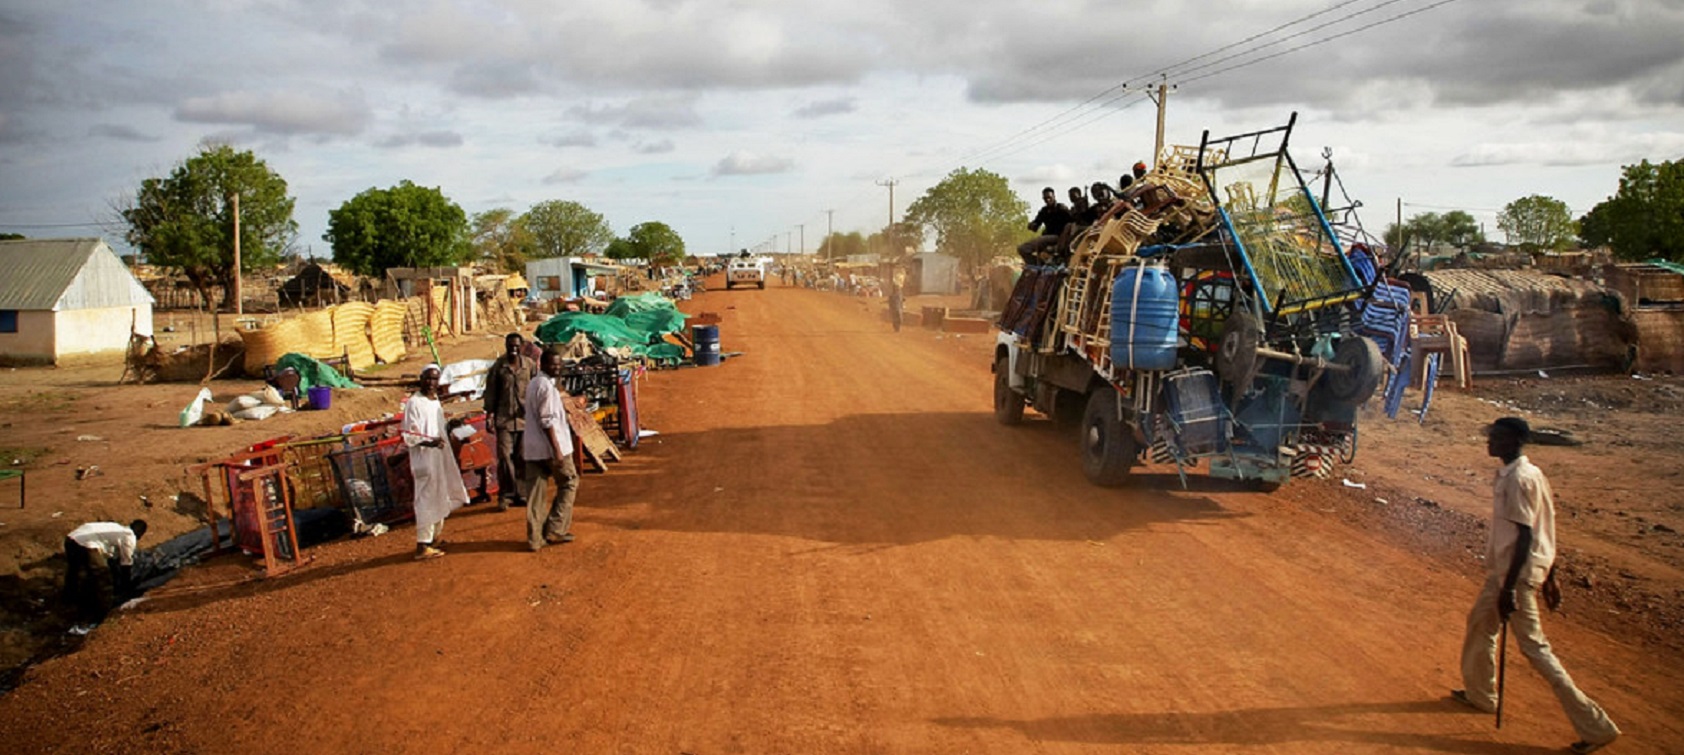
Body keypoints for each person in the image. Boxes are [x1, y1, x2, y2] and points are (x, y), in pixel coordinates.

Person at [1453, 417, 1620, 754]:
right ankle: (1481, 694)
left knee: (1535, 649)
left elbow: (1527, 536)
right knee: (1480, 625)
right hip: (1506, 573)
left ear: (1514, 440)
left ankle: (1596, 727)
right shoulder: (1526, 474)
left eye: (1496, 438)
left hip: (1514, 576)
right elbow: (1546, 525)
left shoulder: (1518, 479)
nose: (1490, 442)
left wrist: (1510, 589)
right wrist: (1551, 576)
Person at [403, 364, 469, 560]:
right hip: (424, 458)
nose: (431, 383)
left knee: (440, 494)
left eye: (435, 379)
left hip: (438, 457)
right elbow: (409, 434)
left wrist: (451, 427)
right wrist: (429, 442)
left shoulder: (434, 401)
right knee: (425, 499)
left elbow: (437, 427)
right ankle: (422, 545)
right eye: (428, 378)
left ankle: (433, 538)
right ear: (421, 378)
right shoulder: (414, 403)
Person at [522, 351, 580, 552]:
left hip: (532, 448)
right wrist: (557, 450)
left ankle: (535, 539)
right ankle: (555, 528)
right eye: (553, 365)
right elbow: (547, 421)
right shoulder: (545, 387)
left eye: (559, 364)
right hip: (552, 447)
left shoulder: (534, 384)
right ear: (542, 364)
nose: (557, 367)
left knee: (536, 495)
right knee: (569, 481)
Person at [483, 332, 536, 512]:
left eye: (516, 346)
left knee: (522, 457)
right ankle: (505, 494)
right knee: (505, 457)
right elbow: (490, 393)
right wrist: (489, 415)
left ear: (521, 347)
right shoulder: (499, 367)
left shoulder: (529, 366)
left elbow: (537, 389)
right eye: (510, 346)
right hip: (504, 419)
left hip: (525, 419)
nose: (513, 349)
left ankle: (521, 493)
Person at [62, 519, 147, 631]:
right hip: (87, 544)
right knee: (103, 577)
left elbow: (109, 553)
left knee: (75, 571)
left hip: (71, 539)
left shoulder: (115, 528)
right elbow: (126, 563)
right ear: (140, 534)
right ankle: (101, 613)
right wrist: (126, 584)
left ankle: (68, 598)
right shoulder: (129, 536)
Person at [1017, 187, 1071, 264]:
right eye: (1045, 198)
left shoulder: (1062, 209)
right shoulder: (1044, 211)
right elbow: (1036, 225)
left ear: (1054, 197)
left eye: (1049, 197)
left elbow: (1071, 224)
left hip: (1058, 237)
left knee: (1025, 248)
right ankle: (1038, 264)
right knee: (1022, 249)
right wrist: (1032, 225)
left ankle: (1040, 264)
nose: (1047, 200)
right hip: (1047, 237)